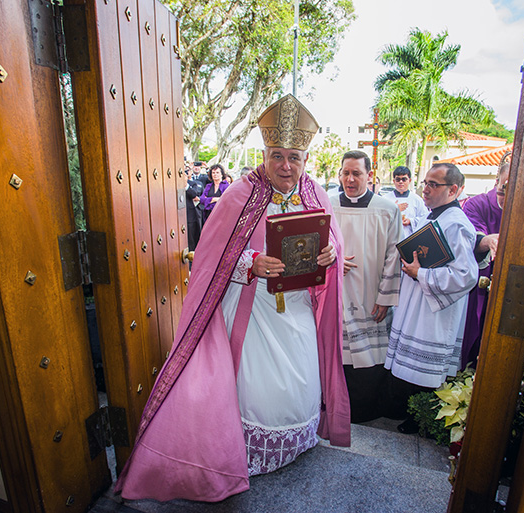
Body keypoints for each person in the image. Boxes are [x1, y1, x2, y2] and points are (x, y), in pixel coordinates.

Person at [114, 94, 350, 502]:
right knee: (257, 386)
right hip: (253, 308)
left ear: (305, 157)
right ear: (265, 153)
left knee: (299, 383)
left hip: (296, 309)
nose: (286, 166)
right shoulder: (242, 192)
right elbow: (212, 251)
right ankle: (239, 452)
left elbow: (331, 242)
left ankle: (294, 443)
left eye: (294, 156)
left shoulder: (315, 192)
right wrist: (252, 263)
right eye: (277, 155)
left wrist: (330, 254)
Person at [384, 163, 478, 432]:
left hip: (436, 311)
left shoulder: (456, 223)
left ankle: (423, 419)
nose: (425, 189)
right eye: (425, 183)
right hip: (420, 302)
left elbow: (465, 275)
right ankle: (412, 413)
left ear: (454, 189)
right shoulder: (433, 216)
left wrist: (421, 275)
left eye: (433, 184)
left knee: (428, 369)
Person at [330, 150, 404, 422]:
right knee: (336, 356)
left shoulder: (387, 210)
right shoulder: (327, 205)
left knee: (369, 360)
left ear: (369, 175)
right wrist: (332, 258)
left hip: (371, 293)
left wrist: (385, 298)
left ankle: (363, 411)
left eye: (357, 173)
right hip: (334, 293)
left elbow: (395, 256)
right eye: (346, 173)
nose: (350, 179)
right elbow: (314, 242)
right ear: (339, 174)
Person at [460, 153, 510, 366]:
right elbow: (474, 237)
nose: (507, 193)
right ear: (497, 181)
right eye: (504, 187)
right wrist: (488, 240)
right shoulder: (477, 204)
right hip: (481, 281)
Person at [381, 165, 428, 236]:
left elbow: (425, 219)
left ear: (409, 180)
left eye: (404, 179)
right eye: (398, 179)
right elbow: (379, 218)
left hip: (409, 237)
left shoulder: (417, 200)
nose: (401, 182)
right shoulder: (385, 199)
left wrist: (411, 221)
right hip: (390, 237)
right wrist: (394, 210)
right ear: (394, 181)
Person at [184, 165, 204, 251]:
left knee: (191, 239)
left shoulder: (194, 183)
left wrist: (185, 184)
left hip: (190, 216)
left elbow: (194, 194)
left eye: (186, 171)